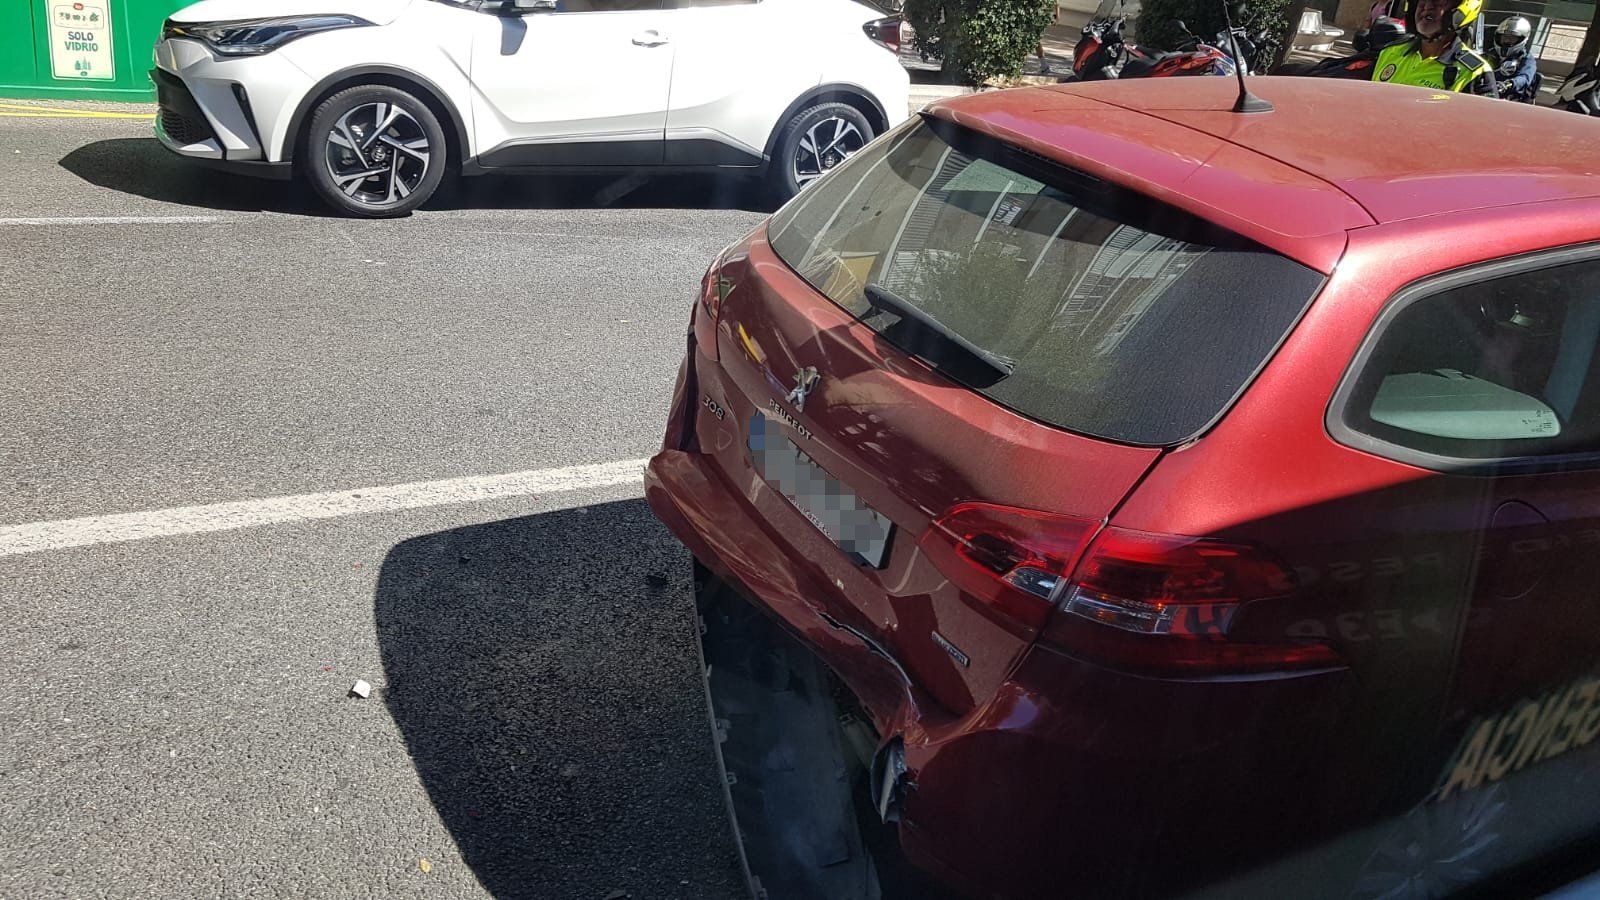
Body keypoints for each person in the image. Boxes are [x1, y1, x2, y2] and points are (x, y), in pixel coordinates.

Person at [1370, 0, 1496, 94]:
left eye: (1439, 1)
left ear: (1461, 9)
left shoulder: (1474, 73)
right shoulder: (1390, 52)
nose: (1427, 7)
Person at [1488, 16, 1541, 102]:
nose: (1506, 41)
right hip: (1487, 91)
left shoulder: (1526, 59)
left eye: (1511, 39)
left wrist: (1509, 84)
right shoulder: (1490, 54)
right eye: (1504, 37)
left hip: (1510, 99)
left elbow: (1524, 78)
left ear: (1522, 39)